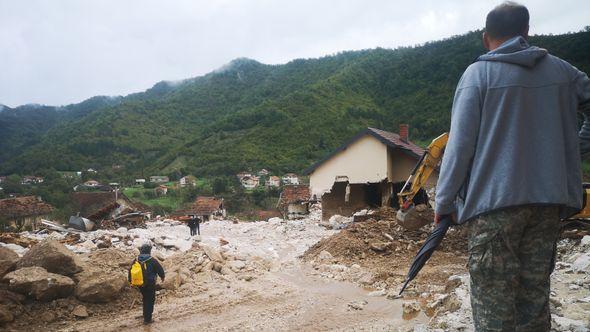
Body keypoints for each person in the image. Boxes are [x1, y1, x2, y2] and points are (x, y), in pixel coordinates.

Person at [434, 2, 590, 331]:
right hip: (547, 205)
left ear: (485, 37)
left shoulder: (478, 75)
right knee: (534, 298)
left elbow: (459, 147)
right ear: (527, 32)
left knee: (494, 302)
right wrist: (571, 150)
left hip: (494, 208)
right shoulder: (564, 72)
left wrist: (444, 203)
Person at [128, 243, 165, 324]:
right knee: (150, 300)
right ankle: (147, 319)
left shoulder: (136, 259)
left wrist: (130, 281)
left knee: (145, 298)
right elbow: (160, 270)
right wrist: (162, 277)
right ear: (149, 251)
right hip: (150, 284)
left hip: (140, 284)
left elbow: (130, 270)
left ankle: (145, 315)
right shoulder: (152, 260)